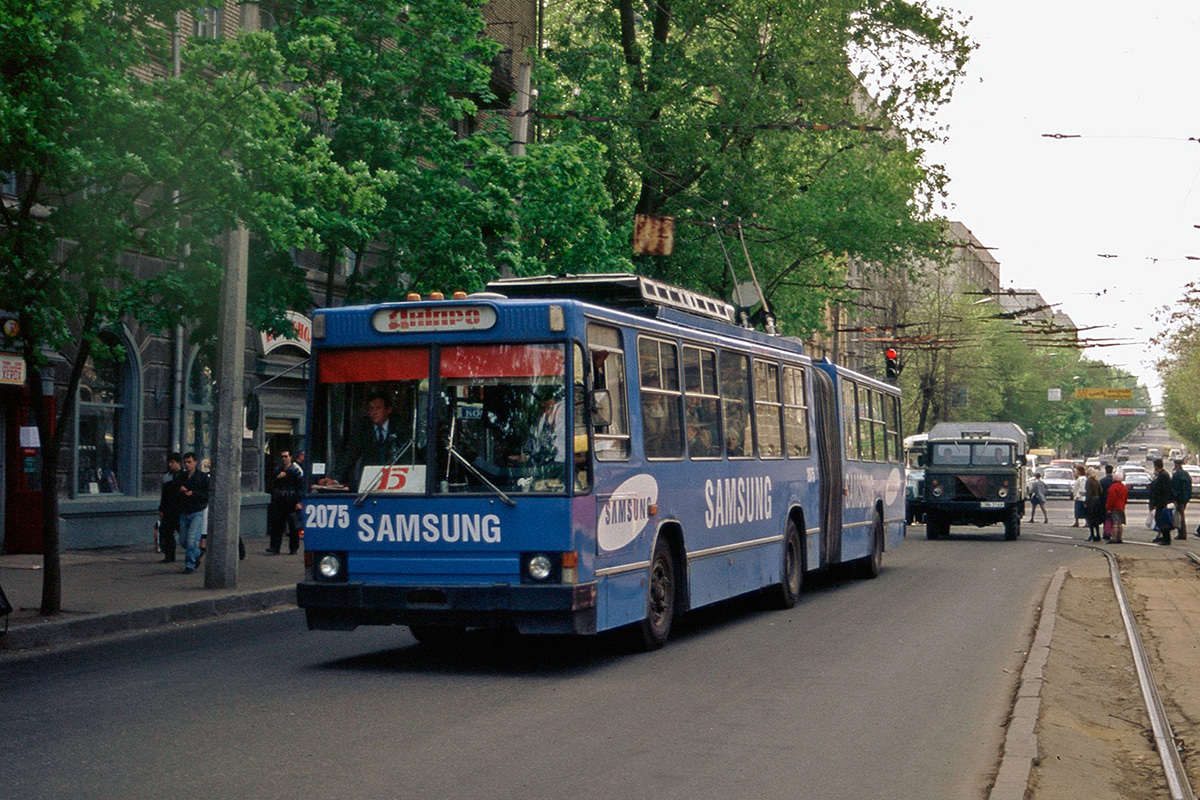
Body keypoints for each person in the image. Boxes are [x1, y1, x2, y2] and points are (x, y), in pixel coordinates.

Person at [321, 390, 405, 489]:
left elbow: (407, 455)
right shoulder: (363, 427)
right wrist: (336, 479)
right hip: (369, 482)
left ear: (389, 410)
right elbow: (351, 454)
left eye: (378, 408)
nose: (374, 412)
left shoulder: (400, 426)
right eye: (371, 408)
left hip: (397, 480)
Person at [176, 452, 210, 573]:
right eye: (185, 462)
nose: (187, 465)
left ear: (195, 462)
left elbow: (207, 495)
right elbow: (175, 491)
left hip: (197, 511)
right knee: (183, 540)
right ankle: (197, 552)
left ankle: (190, 564)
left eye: (189, 462)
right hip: (184, 511)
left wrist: (193, 493)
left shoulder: (202, 477)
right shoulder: (182, 476)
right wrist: (180, 489)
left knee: (192, 540)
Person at [266, 449, 304, 555]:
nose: (284, 459)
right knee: (277, 525)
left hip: (291, 501)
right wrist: (278, 478)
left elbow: (300, 487)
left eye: (286, 456)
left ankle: (293, 548)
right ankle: (274, 547)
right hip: (279, 500)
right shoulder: (278, 470)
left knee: (292, 526)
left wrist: (299, 502)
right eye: (282, 457)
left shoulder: (295, 470)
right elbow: (271, 485)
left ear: (290, 457)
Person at [156, 452, 183, 563]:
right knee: (166, 532)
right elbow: (164, 495)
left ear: (178, 463)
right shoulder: (167, 477)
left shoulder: (184, 476)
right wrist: (162, 509)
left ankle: (195, 551)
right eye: (169, 462)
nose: (170, 465)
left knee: (184, 533)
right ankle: (169, 555)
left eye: (173, 462)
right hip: (169, 509)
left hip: (180, 509)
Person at [1150, 458, 1175, 545]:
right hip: (1162, 502)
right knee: (1160, 519)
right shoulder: (1163, 474)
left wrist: (1159, 502)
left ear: (1156, 467)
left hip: (1162, 502)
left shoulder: (1162, 476)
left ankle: (1166, 539)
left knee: (1162, 520)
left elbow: (1162, 490)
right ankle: (1163, 537)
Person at [1172, 458, 1192, 540]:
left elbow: (1175, 487)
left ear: (1176, 465)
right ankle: (1182, 533)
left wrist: (1174, 498)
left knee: (1180, 516)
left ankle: (1182, 533)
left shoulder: (1176, 474)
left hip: (1179, 498)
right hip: (1186, 497)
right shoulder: (1186, 473)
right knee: (1182, 515)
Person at [1106, 470, 1128, 544]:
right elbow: (1125, 498)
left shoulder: (1113, 487)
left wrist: (1108, 508)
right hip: (1121, 507)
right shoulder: (1124, 487)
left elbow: (1111, 499)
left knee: (1115, 523)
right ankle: (1119, 538)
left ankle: (1114, 538)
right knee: (1120, 523)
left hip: (1115, 507)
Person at [1084, 468, 1104, 541]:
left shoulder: (1089, 481)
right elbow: (1101, 491)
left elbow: (1088, 493)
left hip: (1091, 501)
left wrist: (1086, 502)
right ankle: (1098, 535)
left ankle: (1092, 535)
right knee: (1096, 518)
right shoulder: (1097, 481)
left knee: (1090, 519)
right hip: (1097, 501)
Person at [1099, 464, 1114, 541]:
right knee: (1114, 518)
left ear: (1105, 471)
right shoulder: (1114, 481)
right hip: (1114, 502)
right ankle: (1113, 533)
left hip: (1104, 502)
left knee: (1106, 518)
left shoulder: (1102, 481)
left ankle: (1106, 533)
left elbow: (1099, 492)